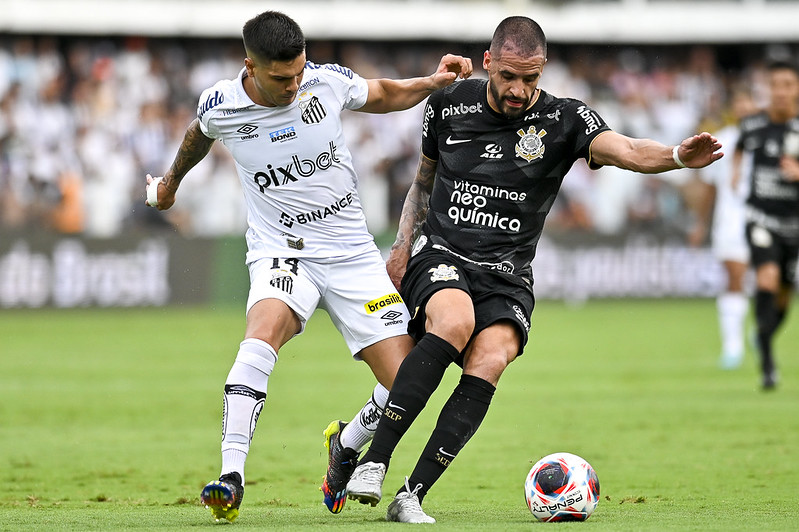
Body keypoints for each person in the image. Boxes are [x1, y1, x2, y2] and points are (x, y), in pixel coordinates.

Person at [342, 16, 723, 523]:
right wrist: (401, 246)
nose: (520, 89)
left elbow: (628, 149)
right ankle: (375, 461)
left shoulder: (565, 121)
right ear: (489, 63)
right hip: (442, 253)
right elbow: (423, 182)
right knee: (453, 323)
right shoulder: (448, 105)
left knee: (493, 355)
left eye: (532, 79)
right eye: (510, 77)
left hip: (507, 274)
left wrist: (676, 155)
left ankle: (411, 494)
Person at [144, 10, 472, 522]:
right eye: (281, 78)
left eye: (299, 72)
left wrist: (432, 82)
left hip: (352, 255)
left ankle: (346, 443)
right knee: (263, 332)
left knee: (409, 379)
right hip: (283, 250)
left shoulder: (324, 82)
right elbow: (197, 135)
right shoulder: (222, 104)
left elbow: (382, 92)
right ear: (248, 65)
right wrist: (169, 186)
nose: (295, 85)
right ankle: (231, 476)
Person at [732, 60, 799, 390]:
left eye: (788, 84)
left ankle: (763, 335)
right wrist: (734, 172)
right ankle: (768, 365)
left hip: (794, 225)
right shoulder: (752, 125)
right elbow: (739, 148)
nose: (781, 92)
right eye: (775, 85)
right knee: (767, 278)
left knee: (784, 299)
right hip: (761, 218)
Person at [691, 89, 757, 369]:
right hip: (731, 220)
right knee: (735, 277)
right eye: (738, 103)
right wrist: (701, 223)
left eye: (748, 102)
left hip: (769, 218)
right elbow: (709, 188)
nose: (743, 108)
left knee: (776, 283)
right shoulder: (723, 141)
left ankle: (764, 325)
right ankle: (733, 347)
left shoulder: (774, 138)